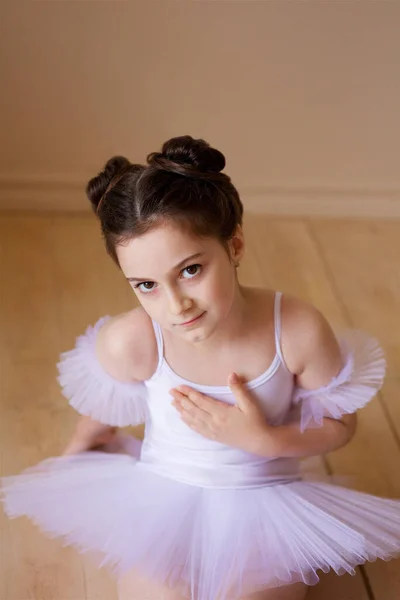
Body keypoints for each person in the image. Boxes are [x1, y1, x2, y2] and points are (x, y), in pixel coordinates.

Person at [2, 136, 399, 600]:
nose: (175, 305)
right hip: (164, 491)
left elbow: (340, 426)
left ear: (234, 246)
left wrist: (265, 441)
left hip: (265, 502)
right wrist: (80, 448)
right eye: (147, 285)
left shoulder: (296, 330)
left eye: (191, 270)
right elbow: (106, 399)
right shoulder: (133, 339)